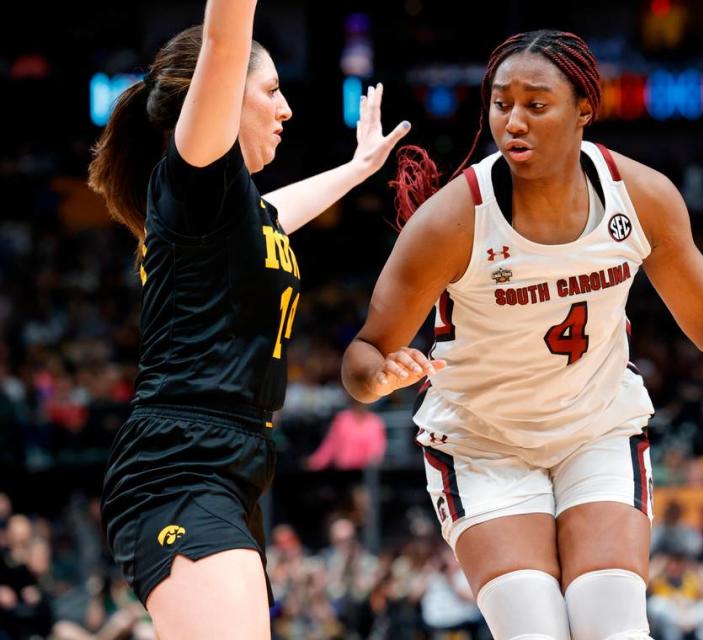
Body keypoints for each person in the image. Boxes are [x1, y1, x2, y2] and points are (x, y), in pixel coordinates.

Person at [341, 29, 703, 640]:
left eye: (536, 103)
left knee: (613, 628)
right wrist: (378, 378)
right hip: (483, 444)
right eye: (502, 104)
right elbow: (363, 353)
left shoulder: (641, 197)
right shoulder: (452, 219)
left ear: (584, 108)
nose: (514, 122)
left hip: (596, 430)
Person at [87, 1, 410, 637]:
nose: (286, 109)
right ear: (221, 94)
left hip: (232, 464)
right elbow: (225, 37)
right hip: (180, 464)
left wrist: (358, 168)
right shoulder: (196, 176)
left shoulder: (234, 217)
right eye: (271, 90)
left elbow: (279, 212)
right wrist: (230, 39)